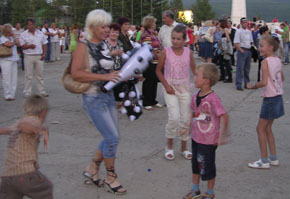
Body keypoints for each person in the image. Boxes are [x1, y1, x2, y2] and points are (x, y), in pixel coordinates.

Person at [71, 9, 126, 195]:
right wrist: (105, 77)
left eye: (107, 26)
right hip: (93, 97)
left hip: (108, 95)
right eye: (103, 26)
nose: (106, 29)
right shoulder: (83, 46)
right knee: (112, 137)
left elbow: (109, 70)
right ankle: (111, 176)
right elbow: (76, 73)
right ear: (92, 27)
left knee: (112, 136)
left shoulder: (104, 45)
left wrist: (123, 75)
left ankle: (92, 169)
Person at [183, 63, 228, 199]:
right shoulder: (195, 95)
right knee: (195, 164)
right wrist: (187, 126)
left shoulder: (213, 99)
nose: (194, 77)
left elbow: (224, 115)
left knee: (207, 166)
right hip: (196, 137)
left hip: (208, 140)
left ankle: (209, 192)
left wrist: (221, 135)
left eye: (197, 75)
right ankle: (195, 189)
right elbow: (193, 112)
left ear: (206, 81)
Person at [0, 94, 53, 199]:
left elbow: (7, 130)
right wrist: (40, 130)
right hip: (26, 174)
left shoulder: (17, 123)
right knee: (46, 187)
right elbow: (24, 126)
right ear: (43, 112)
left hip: (7, 176)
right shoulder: (34, 121)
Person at [156, 25, 195, 160]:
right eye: (173, 38)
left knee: (185, 119)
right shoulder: (166, 52)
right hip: (170, 88)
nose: (175, 41)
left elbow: (195, 71)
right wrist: (166, 85)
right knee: (174, 117)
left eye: (178, 39)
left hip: (184, 88)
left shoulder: (188, 53)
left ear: (185, 39)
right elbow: (158, 71)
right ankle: (169, 146)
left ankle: (184, 147)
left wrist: (204, 83)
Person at [247, 35, 284, 169]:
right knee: (268, 128)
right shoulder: (278, 60)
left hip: (270, 98)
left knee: (260, 128)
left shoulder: (265, 62)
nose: (260, 48)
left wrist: (252, 86)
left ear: (271, 47)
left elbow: (263, 82)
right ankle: (273, 157)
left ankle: (264, 160)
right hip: (278, 96)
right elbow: (282, 77)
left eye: (262, 46)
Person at [19, 18, 48, 98]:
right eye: (29, 25)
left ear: (34, 24)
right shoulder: (24, 34)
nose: (30, 26)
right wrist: (29, 46)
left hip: (39, 56)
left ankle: (42, 91)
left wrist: (44, 54)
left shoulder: (40, 33)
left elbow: (44, 44)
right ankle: (27, 91)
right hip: (29, 56)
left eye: (31, 24)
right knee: (28, 75)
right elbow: (22, 46)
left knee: (40, 74)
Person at [140, 15, 162, 110]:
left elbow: (158, 46)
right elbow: (149, 49)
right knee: (148, 81)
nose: (155, 24)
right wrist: (157, 55)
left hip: (156, 60)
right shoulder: (146, 35)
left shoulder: (153, 34)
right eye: (154, 23)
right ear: (150, 24)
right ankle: (146, 102)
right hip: (149, 61)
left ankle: (153, 100)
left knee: (154, 81)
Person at [105, 23, 124, 106]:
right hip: (107, 69)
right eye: (113, 32)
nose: (115, 34)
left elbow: (122, 54)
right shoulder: (104, 43)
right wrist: (112, 53)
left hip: (118, 67)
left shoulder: (119, 43)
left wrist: (121, 53)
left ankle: (118, 102)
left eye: (117, 32)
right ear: (109, 32)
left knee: (118, 86)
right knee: (108, 86)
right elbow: (102, 55)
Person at [0, 24, 20, 101]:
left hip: (13, 59)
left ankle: (12, 94)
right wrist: (14, 42)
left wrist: (14, 37)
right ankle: (7, 94)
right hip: (5, 60)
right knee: (6, 78)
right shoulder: (2, 38)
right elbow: (9, 45)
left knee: (14, 78)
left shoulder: (12, 38)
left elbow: (18, 44)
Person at [234, 17, 253, 91]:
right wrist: (240, 50)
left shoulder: (249, 31)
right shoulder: (238, 31)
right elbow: (236, 42)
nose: (245, 24)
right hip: (242, 50)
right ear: (241, 23)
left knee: (247, 69)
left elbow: (251, 41)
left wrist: (251, 47)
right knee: (240, 68)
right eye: (244, 22)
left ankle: (247, 83)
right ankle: (238, 84)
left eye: (246, 22)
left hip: (248, 50)